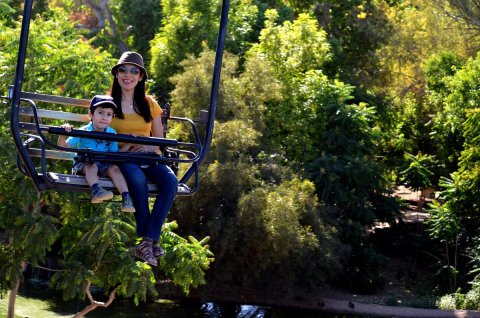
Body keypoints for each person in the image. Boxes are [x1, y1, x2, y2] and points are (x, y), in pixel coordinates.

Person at [108, 51, 178, 267]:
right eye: (123, 70)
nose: (127, 75)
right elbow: (98, 131)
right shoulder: (108, 103)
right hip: (123, 158)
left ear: (140, 77)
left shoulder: (149, 104)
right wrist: (126, 145)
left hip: (148, 155)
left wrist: (147, 145)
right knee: (137, 179)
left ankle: (147, 241)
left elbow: (159, 140)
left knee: (171, 182)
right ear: (117, 74)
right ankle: (149, 241)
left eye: (133, 71)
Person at [57, 95, 135, 213]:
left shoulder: (111, 133)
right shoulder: (84, 131)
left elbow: (114, 155)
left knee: (114, 168)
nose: (104, 117)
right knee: (91, 165)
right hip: (83, 165)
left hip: (103, 164)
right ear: (91, 114)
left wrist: (128, 144)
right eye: (100, 112)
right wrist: (62, 133)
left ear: (112, 118)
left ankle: (126, 198)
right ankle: (96, 190)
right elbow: (63, 147)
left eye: (109, 114)